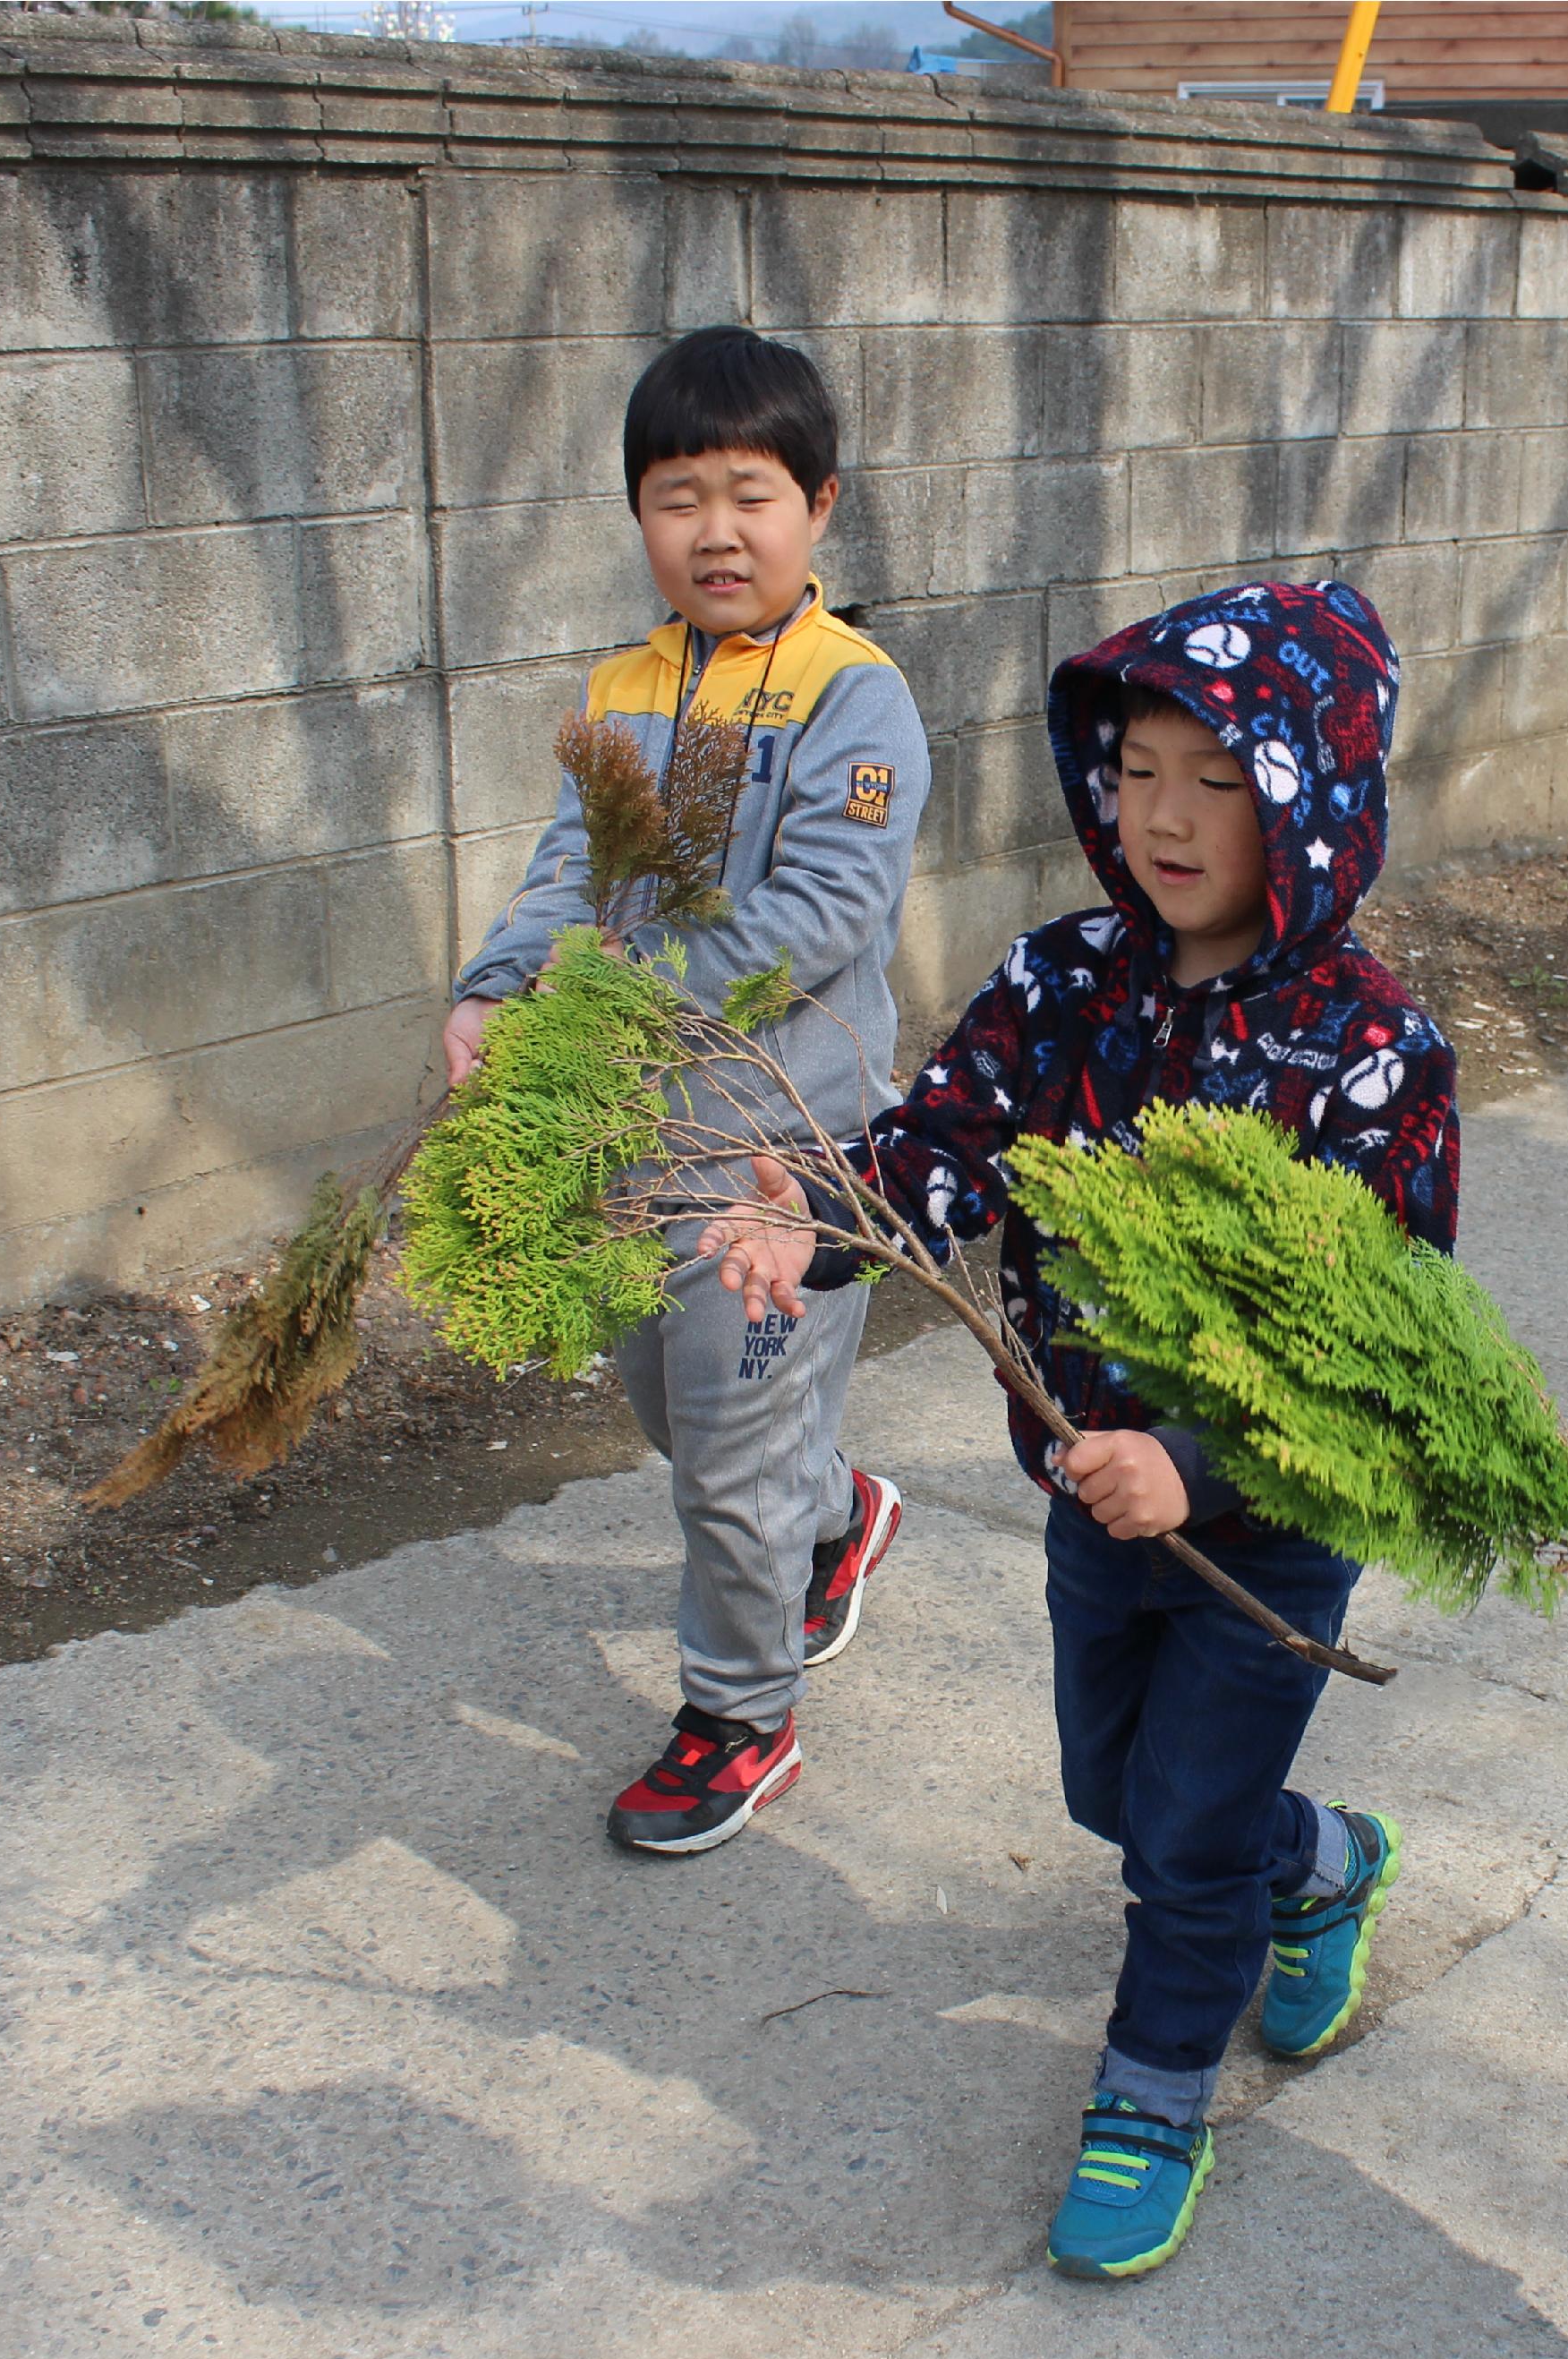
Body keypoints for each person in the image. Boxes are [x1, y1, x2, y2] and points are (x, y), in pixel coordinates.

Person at [703, 579, 1459, 2281]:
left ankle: (1151, 2091)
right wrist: (820, 1221)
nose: (1165, 816)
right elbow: (946, 1148)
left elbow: (1378, 1351)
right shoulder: (1069, 978)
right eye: (1137, 769)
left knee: (1182, 1838)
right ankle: (1322, 1863)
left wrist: (1195, 1462)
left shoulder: (1370, 1053)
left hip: (1265, 1515)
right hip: (1082, 1485)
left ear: (1314, 796)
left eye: (1220, 777)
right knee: (1116, 1787)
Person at [447, 326, 925, 1858]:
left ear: (820, 506)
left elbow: (823, 911)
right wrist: (498, 982)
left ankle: (739, 1711)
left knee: (727, 1445)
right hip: (638, 1126)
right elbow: (570, 871)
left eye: (750, 493)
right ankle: (834, 1513)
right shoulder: (626, 686)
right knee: (672, 1399)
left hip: (785, 1150)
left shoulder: (857, 701)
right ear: (638, 514)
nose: (714, 531)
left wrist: (618, 995)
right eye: (675, 496)